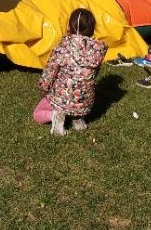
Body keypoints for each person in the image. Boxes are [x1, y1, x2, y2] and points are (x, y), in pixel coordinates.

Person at [37, 8, 107, 136]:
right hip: (85, 101)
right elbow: (92, 75)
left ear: (69, 26)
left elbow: (50, 70)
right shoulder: (98, 50)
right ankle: (78, 120)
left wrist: (44, 87)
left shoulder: (64, 46)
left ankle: (56, 117)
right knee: (79, 90)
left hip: (61, 99)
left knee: (37, 113)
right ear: (92, 29)